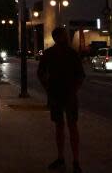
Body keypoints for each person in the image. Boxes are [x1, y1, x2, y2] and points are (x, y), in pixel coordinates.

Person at [37, 27, 85, 172]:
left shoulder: (52, 53)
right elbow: (80, 75)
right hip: (65, 94)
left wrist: (48, 89)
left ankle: (64, 158)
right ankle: (73, 160)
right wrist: (74, 89)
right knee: (70, 127)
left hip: (59, 94)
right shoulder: (70, 53)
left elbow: (41, 73)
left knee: (62, 127)